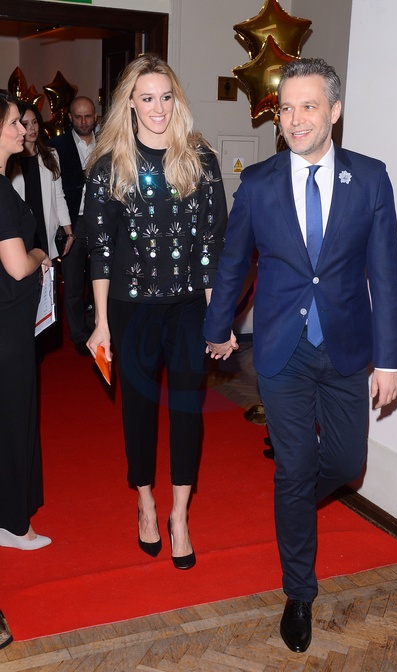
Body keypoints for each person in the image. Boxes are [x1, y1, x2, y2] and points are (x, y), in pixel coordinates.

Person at [203, 58, 397, 653]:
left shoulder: (370, 179)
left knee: (345, 463)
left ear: (334, 111)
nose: (295, 119)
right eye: (286, 108)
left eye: (308, 106)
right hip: (281, 351)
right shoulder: (259, 183)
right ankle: (299, 594)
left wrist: (389, 360)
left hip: (346, 349)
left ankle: (291, 503)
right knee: (294, 469)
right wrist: (219, 327)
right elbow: (234, 262)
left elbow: (385, 277)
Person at [84, 53, 227, 569]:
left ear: (176, 99)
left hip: (188, 307)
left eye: (166, 97)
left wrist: (217, 318)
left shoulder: (200, 159)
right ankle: (145, 501)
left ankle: (179, 515)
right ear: (130, 102)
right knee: (139, 410)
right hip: (132, 308)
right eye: (147, 98)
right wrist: (101, 322)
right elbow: (100, 250)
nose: (158, 108)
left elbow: (212, 245)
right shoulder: (109, 165)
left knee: (188, 411)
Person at [0, 90, 52, 550]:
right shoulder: (0, 191)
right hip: (8, 328)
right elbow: (18, 265)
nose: (24, 129)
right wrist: (40, 254)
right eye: (15, 122)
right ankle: (15, 525)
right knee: (14, 419)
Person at [48, 96, 98, 356]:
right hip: (73, 222)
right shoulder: (56, 146)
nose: (83, 121)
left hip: (101, 220)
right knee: (74, 282)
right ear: (70, 118)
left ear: (95, 117)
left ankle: (96, 326)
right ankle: (78, 334)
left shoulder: (108, 143)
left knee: (100, 278)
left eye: (88, 116)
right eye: (78, 117)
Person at [8, 101, 74, 261]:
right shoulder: (9, 160)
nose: (32, 128)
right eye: (25, 124)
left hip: (46, 230)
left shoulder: (50, 155)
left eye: (35, 122)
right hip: (20, 232)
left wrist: (69, 231)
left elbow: (58, 195)